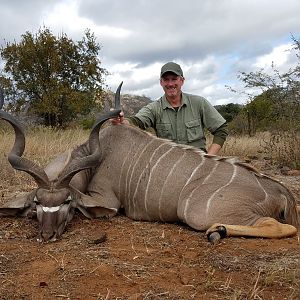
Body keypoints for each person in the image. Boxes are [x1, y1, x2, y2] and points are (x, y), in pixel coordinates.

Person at [112, 62, 228, 155]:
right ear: (161, 82)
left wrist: (209, 158)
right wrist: (122, 120)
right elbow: (136, 121)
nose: (170, 83)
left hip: (198, 165)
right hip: (167, 169)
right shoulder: (154, 108)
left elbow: (221, 129)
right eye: (166, 79)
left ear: (182, 80)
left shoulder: (199, 103)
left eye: (174, 79)